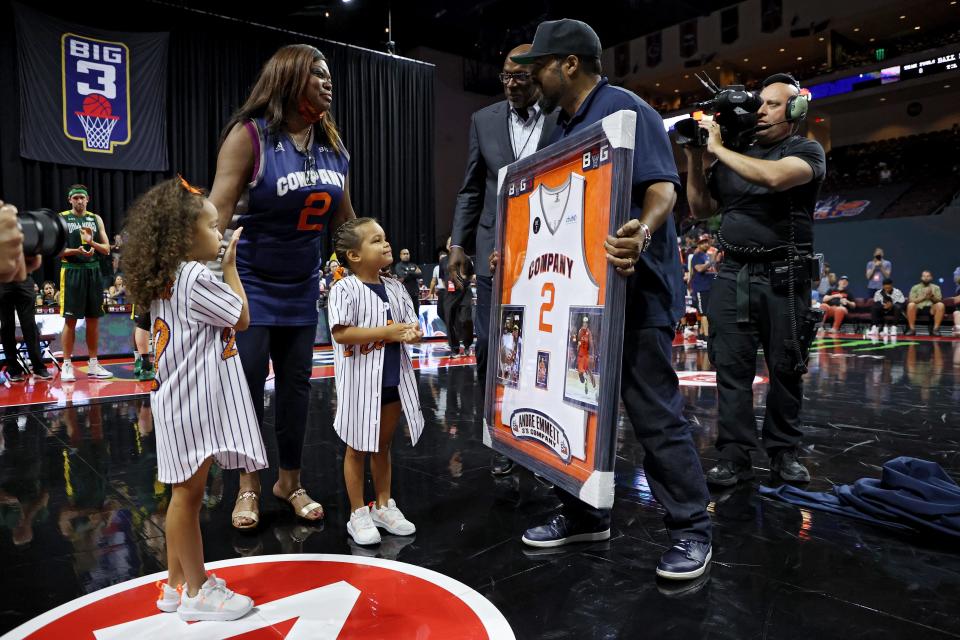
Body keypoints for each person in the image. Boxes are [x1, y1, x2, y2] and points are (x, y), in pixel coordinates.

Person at [513, 19, 712, 580]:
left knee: (653, 412)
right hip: (581, 296)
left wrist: (642, 231)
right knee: (575, 409)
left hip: (638, 290)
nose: (534, 79)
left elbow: (663, 188)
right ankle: (583, 514)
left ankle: (692, 528)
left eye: (540, 67)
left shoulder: (628, 110)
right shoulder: (560, 128)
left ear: (568, 64)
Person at [209, 43, 355, 529]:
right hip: (249, 285)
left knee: (296, 391)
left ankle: (288, 481)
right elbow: (216, 216)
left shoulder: (334, 147)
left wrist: (372, 253)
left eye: (329, 74)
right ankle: (248, 485)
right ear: (290, 79)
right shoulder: (248, 137)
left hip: (301, 288)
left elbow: (344, 223)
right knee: (248, 386)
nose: (327, 81)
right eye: (318, 73)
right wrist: (194, 275)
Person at [122, 176, 268, 621]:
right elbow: (242, 318)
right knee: (187, 497)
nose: (220, 233)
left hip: (178, 400)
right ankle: (198, 590)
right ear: (185, 237)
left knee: (181, 496)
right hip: (192, 402)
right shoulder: (192, 276)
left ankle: (174, 584)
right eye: (210, 226)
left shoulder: (170, 277)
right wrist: (230, 267)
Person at [685, 71, 825, 486]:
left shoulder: (805, 150)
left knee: (786, 367)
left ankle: (783, 453)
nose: (760, 110)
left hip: (785, 276)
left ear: (795, 110)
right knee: (730, 368)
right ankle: (734, 455)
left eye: (772, 104)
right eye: (759, 103)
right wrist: (696, 156)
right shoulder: (732, 153)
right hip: (733, 273)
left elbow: (775, 178)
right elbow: (698, 208)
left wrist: (718, 148)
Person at [448, 44, 559, 475]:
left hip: (550, 249)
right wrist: (459, 243)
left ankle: (542, 433)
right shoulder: (484, 120)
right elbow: (472, 187)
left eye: (521, 78)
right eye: (506, 77)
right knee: (494, 350)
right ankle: (501, 435)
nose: (512, 85)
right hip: (494, 255)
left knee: (541, 348)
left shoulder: (560, 115)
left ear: (540, 77)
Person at [327, 218, 424, 546]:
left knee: (383, 445)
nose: (386, 245)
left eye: (385, 238)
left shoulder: (396, 286)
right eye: (376, 240)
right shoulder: (344, 289)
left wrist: (413, 333)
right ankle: (358, 513)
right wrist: (386, 332)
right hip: (360, 384)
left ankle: (383, 504)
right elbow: (341, 334)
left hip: (393, 380)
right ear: (354, 255)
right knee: (357, 448)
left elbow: (410, 325)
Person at [58, 185, 113, 382]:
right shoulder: (62, 218)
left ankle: (93, 363)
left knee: (93, 319)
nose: (79, 201)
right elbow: (57, 251)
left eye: (82, 198)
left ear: (88, 199)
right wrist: (77, 251)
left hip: (93, 271)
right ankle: (66, 365)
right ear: (69, 200)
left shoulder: (95, 219)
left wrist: (92, 246)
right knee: (70, 320)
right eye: (76, 198)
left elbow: (106, 249)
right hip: (72, 271)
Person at [0, 272, 51, 381]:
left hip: (23, 279)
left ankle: (39, 368)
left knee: (30, 325)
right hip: (2, 279)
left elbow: (37, 256)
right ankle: (13, 369)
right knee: (6, 326)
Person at [438, 237, 475, 359]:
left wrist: (462, 284)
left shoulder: (466, 259)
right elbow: (443, 279)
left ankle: (467, 345)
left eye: (453, 243)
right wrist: (450, 288)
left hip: (464, 292)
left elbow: (471, 276)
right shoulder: (443, 261)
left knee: (465, 319)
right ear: (447, 247)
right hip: (450, 294)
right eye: (449, 243)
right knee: (449, 321)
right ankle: (454, 349)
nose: (451, 245)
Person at [689, 234, 716, 344]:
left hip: (707, 287)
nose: (706, 244)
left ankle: (700, 336)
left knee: (705, 313)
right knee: (704, 313)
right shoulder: (697, 256)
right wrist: (711, 262)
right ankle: (706, 338)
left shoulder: (705, 255)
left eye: (707, 242)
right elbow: (699, 269)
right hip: (701, 288)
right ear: (698, 244)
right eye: (703, 242)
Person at [905, 270, 945, 336]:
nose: (926, 278)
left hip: (931, 308)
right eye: (924, 276)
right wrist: (923, 297)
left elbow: (939, 300)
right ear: (921, 278)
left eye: (928, 276)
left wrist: (931, 296)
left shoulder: (936, 287)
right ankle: (912, 329)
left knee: (940, 305)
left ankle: (936, 330)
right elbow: (911, 300)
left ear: (931, 278)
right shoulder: (915, 287)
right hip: (918, 308)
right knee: (911, 305)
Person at [393, 248, 422, 318]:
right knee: (405, 316)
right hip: (404, 295)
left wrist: (407, 272)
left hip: (414, 295)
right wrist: (413, 272)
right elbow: (402, 276)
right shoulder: (398, 266)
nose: (406, 255)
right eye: (404, 254)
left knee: (416, 315)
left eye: (407, 254)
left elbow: (419, 274)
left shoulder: (413, 264)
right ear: (400, 256)